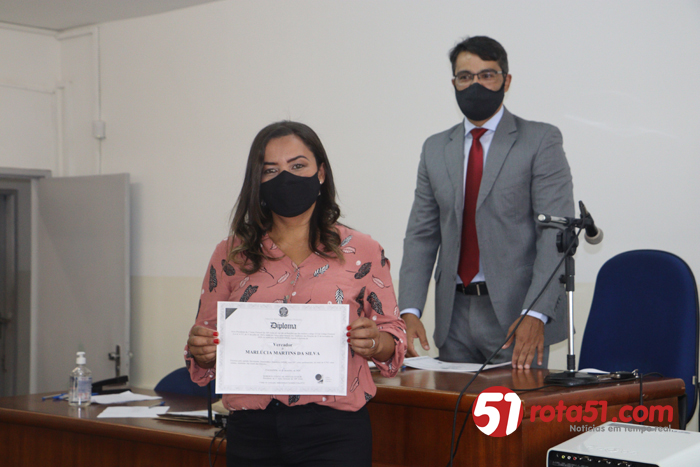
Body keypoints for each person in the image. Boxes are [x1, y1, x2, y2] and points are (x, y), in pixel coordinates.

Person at [185, 121, 406, 467]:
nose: (285, 178)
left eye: (298, 165)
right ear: (257, 181)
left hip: (334, 433)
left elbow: (394, 337)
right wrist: (202, 351)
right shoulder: (231, 254)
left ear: (321, 173)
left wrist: (376, 342)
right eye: (270, 170)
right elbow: (205, 342)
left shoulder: (362, 250)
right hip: (252, 432)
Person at [399, 36, 574, 369]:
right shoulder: (435, 148)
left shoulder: (539, 140)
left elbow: (556, 234)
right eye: (465, 77)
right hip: (452, 317)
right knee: (452, 404)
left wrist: (535, 313)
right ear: (453, 83)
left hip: (517, 317)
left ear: (506, 81)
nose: (475, 85)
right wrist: (408, 311)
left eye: (487, 75)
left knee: (515, 405)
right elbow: (421, 235)